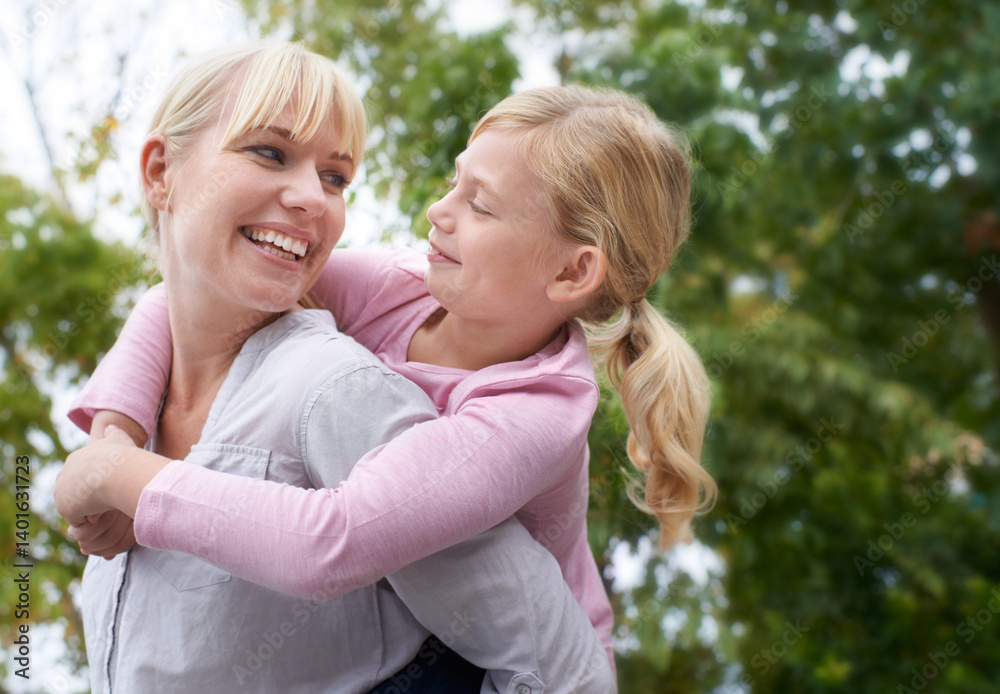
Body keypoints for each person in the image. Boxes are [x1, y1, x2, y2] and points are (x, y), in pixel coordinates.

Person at [54, 40, 614, 694]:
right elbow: (168, 299)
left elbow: (333, 542)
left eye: (335, 178)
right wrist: (114, 435)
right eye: (270, 152)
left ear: (572, 272)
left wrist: (118, 474)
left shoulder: (344, 388)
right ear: (160, 172)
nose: (313, 200)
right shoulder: (394, 289)